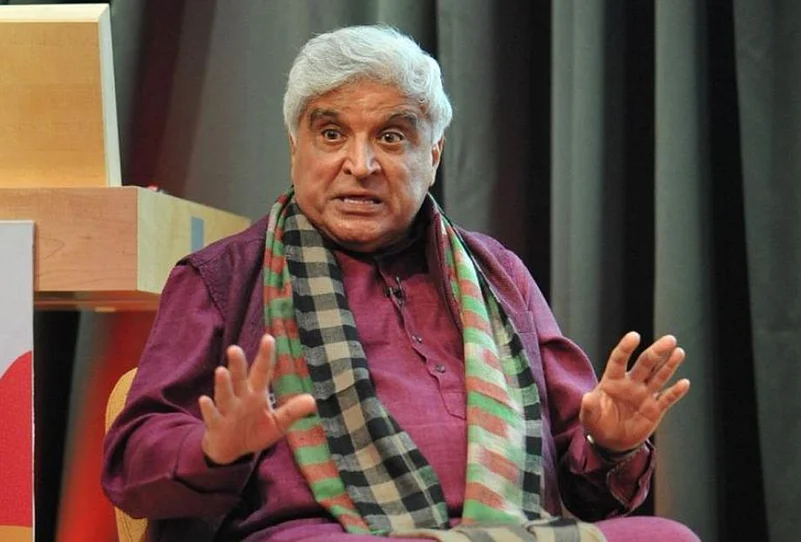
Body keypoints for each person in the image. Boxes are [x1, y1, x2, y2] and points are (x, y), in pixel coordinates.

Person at [102, 25, 699, 542]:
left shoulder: (498, 274)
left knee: (669, 536)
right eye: (331, 134)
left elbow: (589, 490)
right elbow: (132, 464)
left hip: (506, 531)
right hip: (322, 534)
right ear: (294, 147)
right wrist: (215, 448)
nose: (360, 165)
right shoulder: (222, 278)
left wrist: (610, 445)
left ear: (433, 156)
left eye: (391, 137)